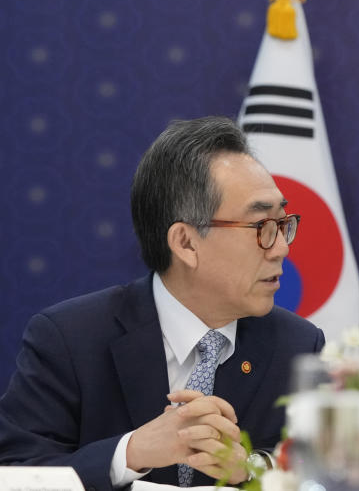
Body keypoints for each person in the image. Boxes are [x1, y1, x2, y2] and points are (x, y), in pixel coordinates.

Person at [0, 116, 325, 488]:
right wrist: (129, 452)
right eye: (261, 228)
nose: (282, 248)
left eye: (283, 224)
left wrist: (249, 469)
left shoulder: (299, 346)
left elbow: (330, 471)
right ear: (186, 243)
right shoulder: (69, 339)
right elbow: (15, 471)